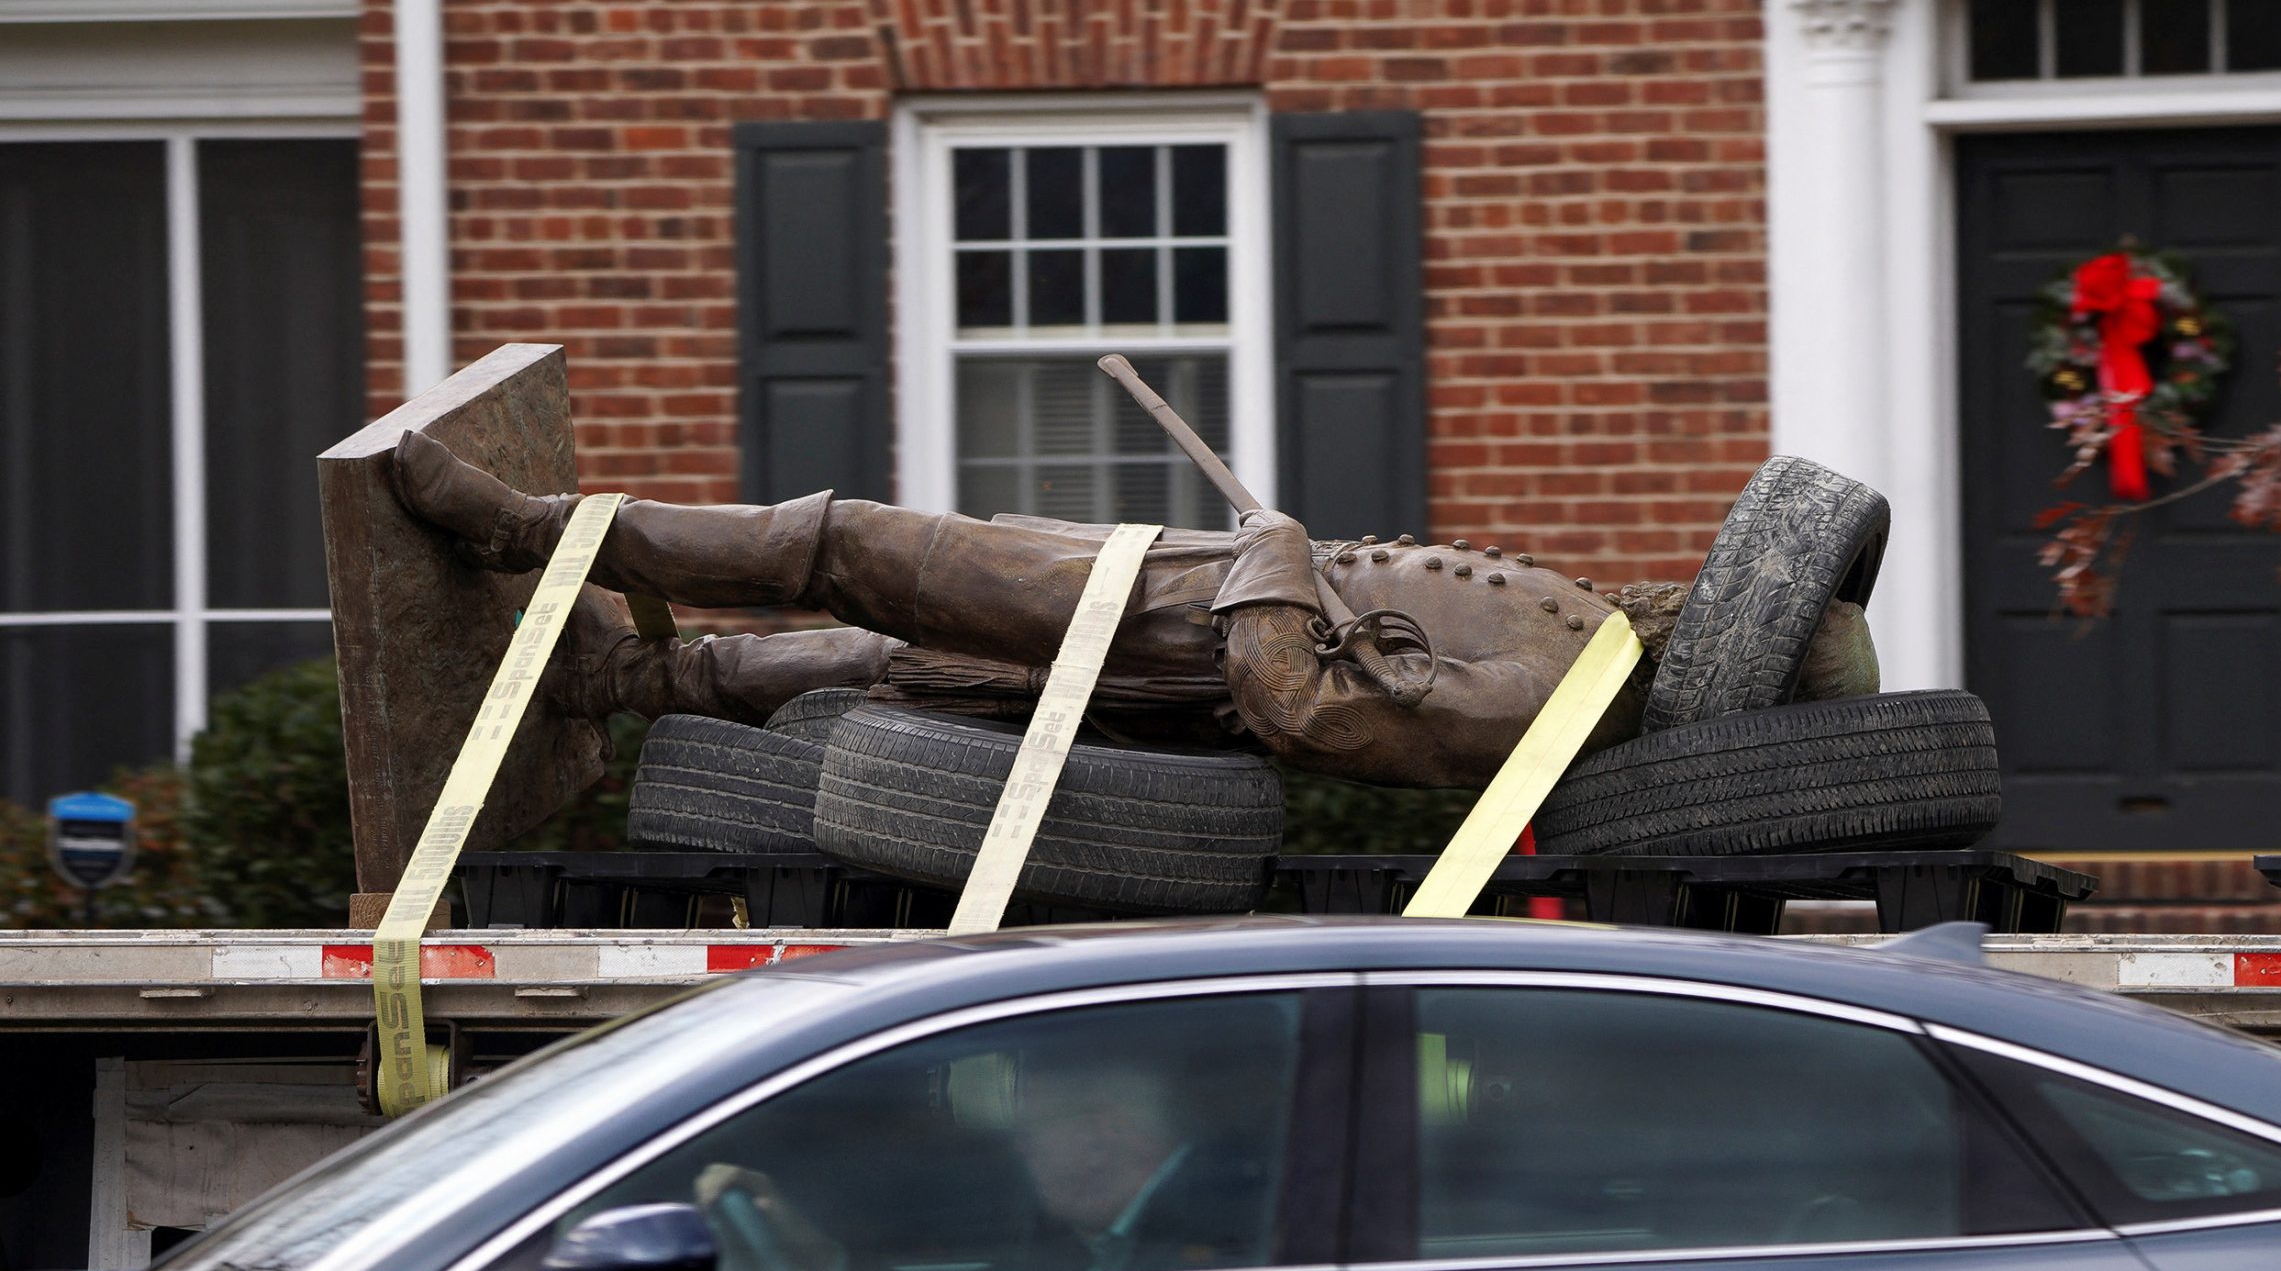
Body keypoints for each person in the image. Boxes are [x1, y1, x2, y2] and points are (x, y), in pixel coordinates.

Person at [388, 430, 1690, 787]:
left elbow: (1305, 709)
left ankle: (529, 535)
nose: (1701, 577)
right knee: (899, 662)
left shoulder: (1569, 693)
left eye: (1734, 591)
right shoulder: (1594, 635)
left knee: (851, 548)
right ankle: (617, 680)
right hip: (1162, 600)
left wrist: (1279, 558)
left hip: (1172, 635)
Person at [691, 1043, 1274, 1271]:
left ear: (1105, 1131)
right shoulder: (1115, 1245)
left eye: (1035, 1132)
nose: (1022, 1154)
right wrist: (826, 1260)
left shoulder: (1205, 1242)